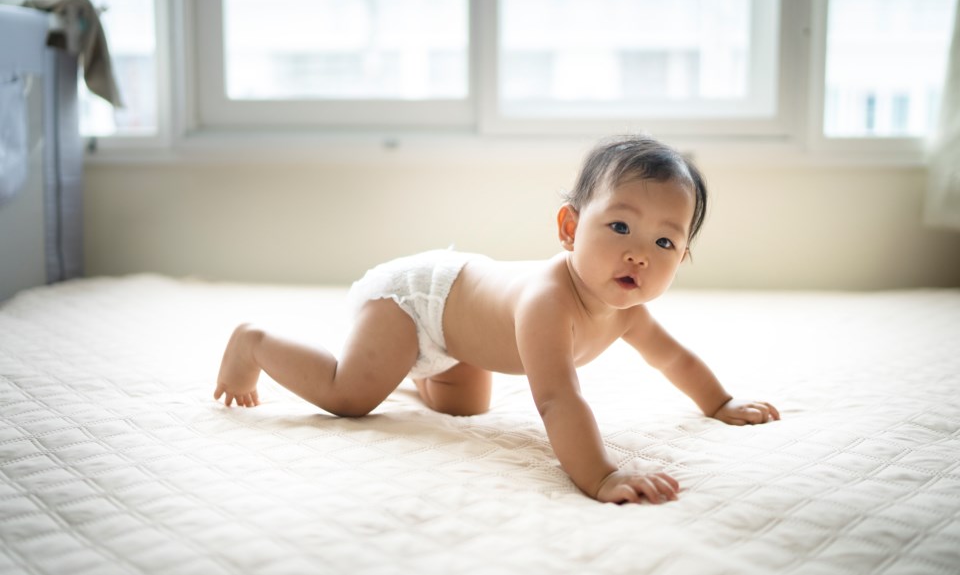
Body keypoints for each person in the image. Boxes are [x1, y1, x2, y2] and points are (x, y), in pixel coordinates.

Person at [214, 135, 780, 504]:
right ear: (569, 228)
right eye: (619, 227)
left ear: (681, 259)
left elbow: (674, 358)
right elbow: (557, 398)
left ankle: (416, 372)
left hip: (460, 331)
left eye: (663, 241)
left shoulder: (628, 311)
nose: (638, 254)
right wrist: (601, 474)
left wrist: (720, 403)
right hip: (415, 303)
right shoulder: (547, 302)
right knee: (352, 396)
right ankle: (255, 344)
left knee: (466, 406)